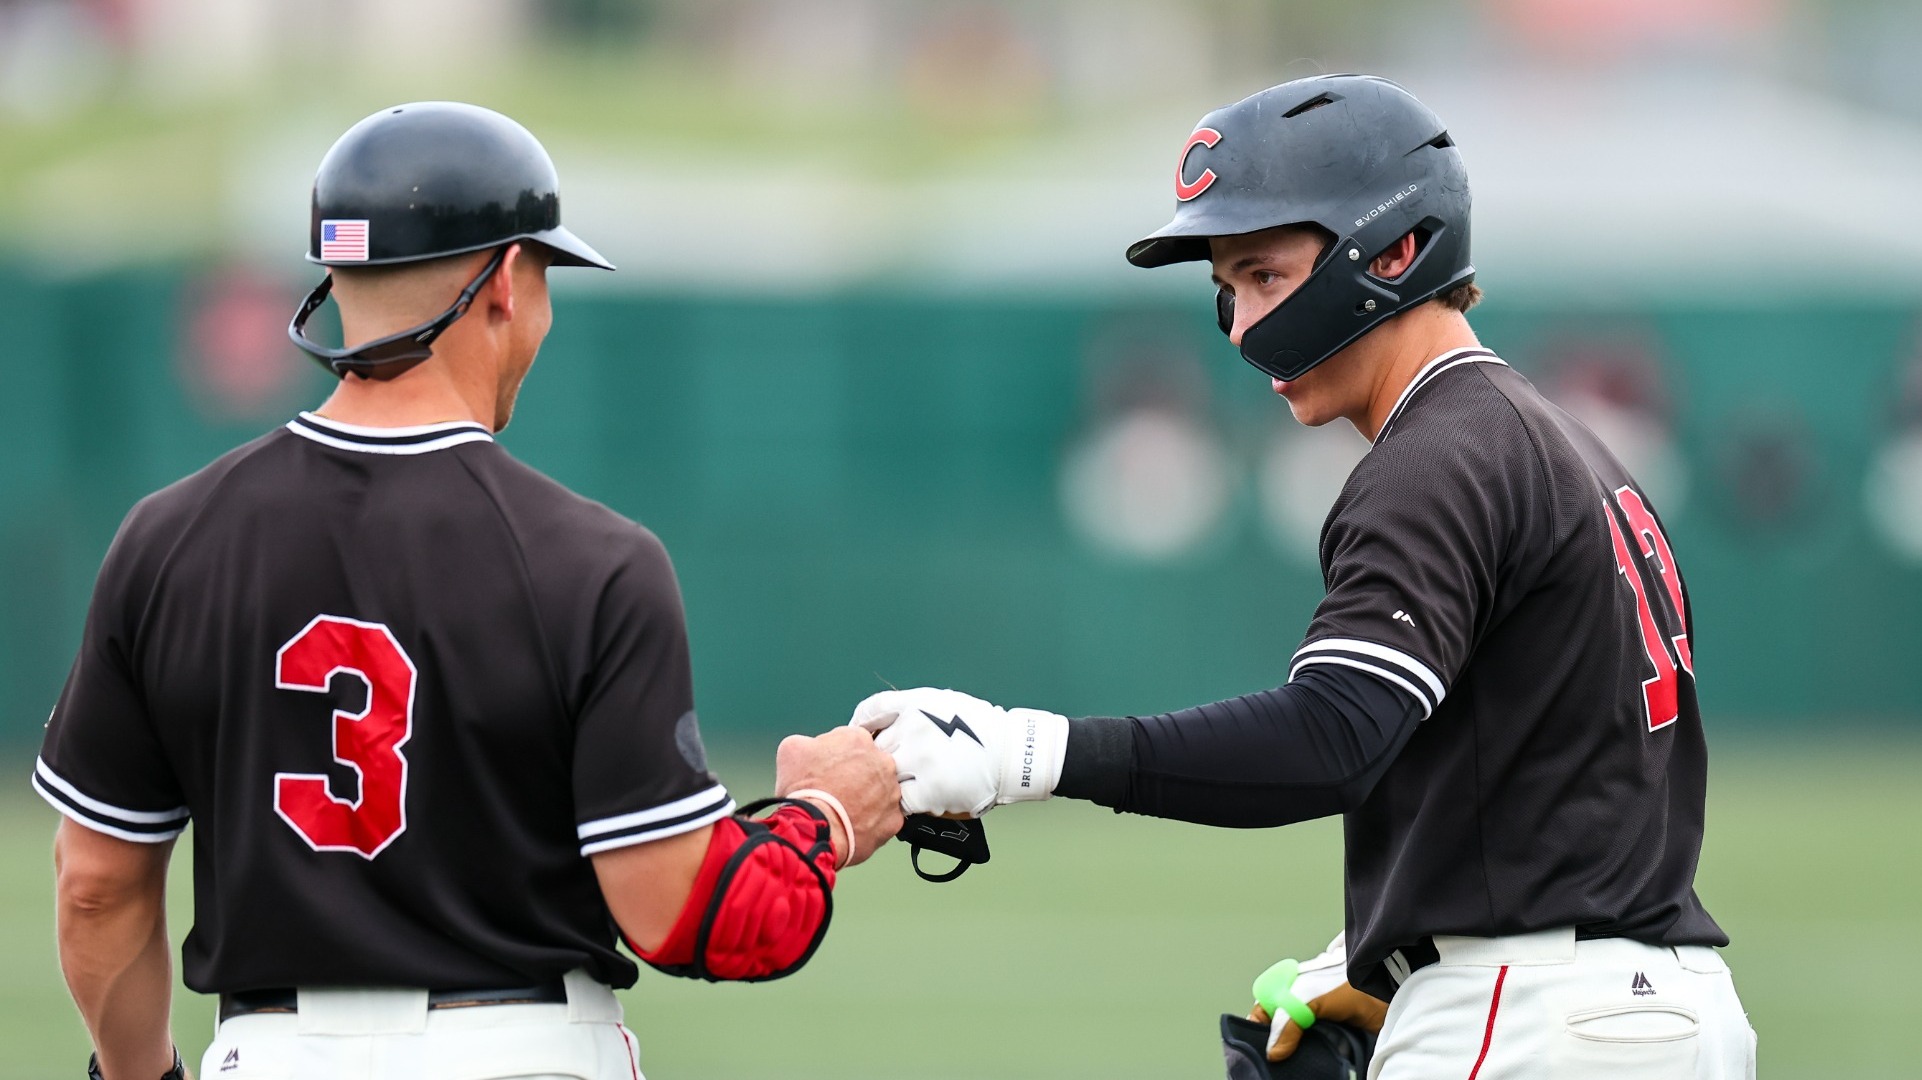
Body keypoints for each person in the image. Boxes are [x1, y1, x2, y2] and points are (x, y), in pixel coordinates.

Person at [851, 74, 1755, 1079]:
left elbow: (1332, 736)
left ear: (1397, 249)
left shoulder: (1436, 455)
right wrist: (1397, 955)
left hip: (1533, 1017)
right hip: (1662, 1010)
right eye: (1226, 290)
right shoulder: (1566, 446)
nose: (1242, 325)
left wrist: (1027, 752)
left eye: (1266, 275)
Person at [34, 101, 902, 1080]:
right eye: (544, 277)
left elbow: (94, 887)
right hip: (524, 1053)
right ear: (502, 282)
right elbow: (681, 915)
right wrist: (824, 814)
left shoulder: (166, 540)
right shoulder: (594, 561)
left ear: (335, 281)